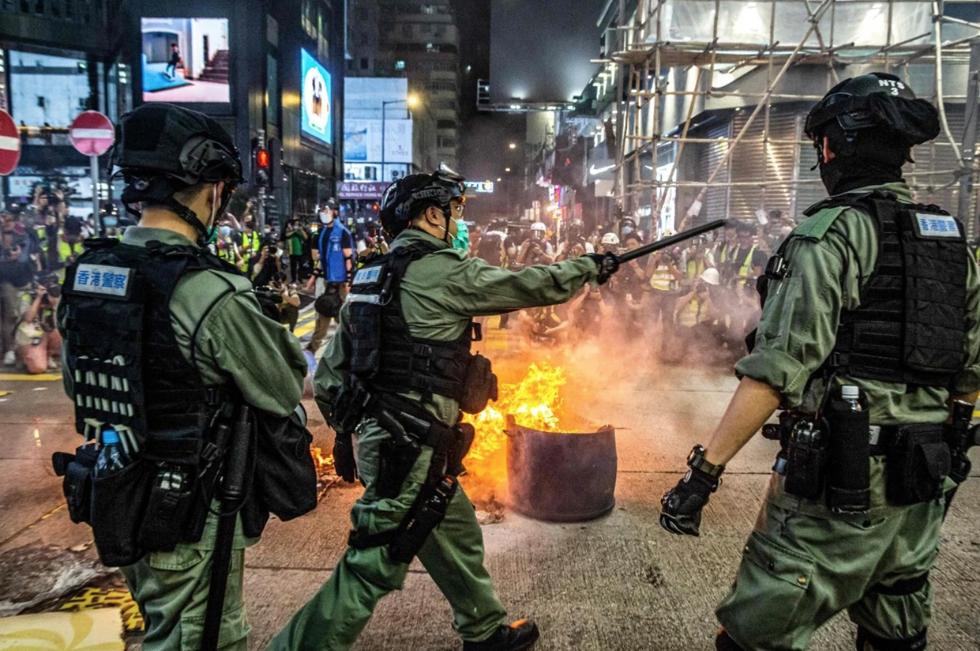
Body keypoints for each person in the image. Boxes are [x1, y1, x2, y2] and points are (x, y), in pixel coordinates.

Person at [659, 72, 980, 651]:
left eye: (820, 147)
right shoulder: (953, 242)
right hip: (921, 485)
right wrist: (950, 444)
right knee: (895, 635)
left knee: (753, 637)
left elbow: (776, 371)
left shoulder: (828, 238)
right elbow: (970, 374)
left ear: (833, 148)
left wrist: (703, 474)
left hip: (840, 489)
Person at [267, 167, 619, 651]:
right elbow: (527, 286)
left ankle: (483, 630)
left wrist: (349, 435)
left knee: (454, 529)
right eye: (452, 212)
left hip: (390, 445)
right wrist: (587, 268)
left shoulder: (369, 278)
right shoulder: (444, 271)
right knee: (371, 565)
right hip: (412, 450)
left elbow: (328, 377)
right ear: (431, 214)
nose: (456, 223)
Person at [55, 103, 310, 651]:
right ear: (213, 190)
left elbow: (78, 385)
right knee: (200, 638)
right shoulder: (209, 291)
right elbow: (284, 384)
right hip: (189, 510)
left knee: (160, 627)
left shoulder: (89, 273)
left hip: (117, 490)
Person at [306, 198, 353, 354]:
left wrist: (348, 282)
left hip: (341, 284)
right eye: (322, 211)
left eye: (327, 210)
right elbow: (322, 259)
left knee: (343, 318)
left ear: (335, 212)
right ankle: (312, 349)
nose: (324, 213)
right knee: (324, 313)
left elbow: (348, 258)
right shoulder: (323, 233)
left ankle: (352, 349)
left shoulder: (342, 232)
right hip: (329, 281)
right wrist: (313, 277)